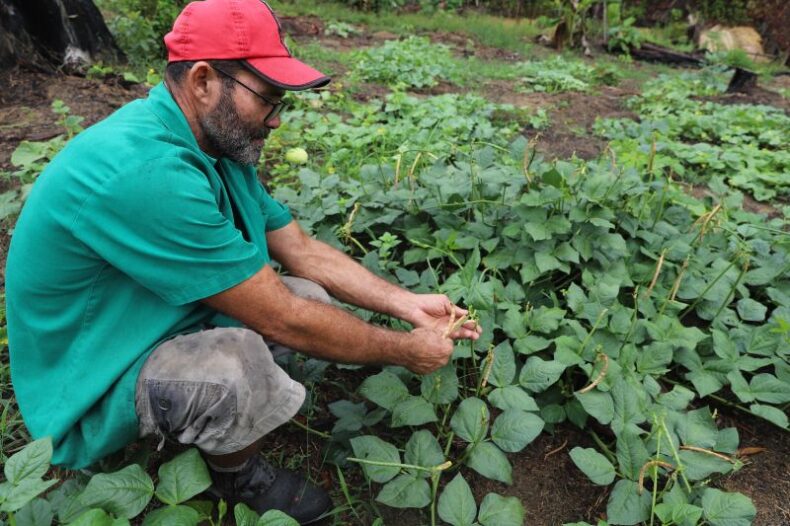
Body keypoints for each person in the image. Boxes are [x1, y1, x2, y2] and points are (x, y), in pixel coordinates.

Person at [5, 0, 481, 523]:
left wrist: (406, 303)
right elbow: (283, 318)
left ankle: (226, 412)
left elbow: (299, 249)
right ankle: (235, 475)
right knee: (235, 365)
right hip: (92, 374)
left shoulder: (211, 142)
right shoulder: (147, 171)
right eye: (268, 99)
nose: (276, 119)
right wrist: (405, 351)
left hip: (145, 320)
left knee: (309, 295)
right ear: (203, 81)